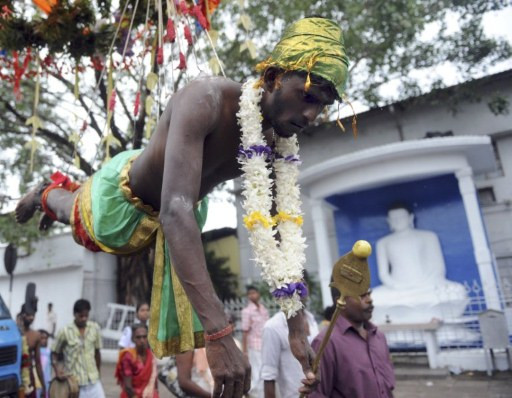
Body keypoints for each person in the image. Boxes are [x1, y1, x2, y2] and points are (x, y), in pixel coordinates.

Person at [15, 16, 350, 397]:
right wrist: (220, 334)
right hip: (129, 198)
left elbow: (280, 231)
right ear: (273, 77)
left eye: (322, 106)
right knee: (77, 217)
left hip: (186, 204)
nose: (311, 116)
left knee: (184, 214)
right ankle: (46, 193)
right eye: (307, 96)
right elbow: (175, 209)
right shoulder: (205, 99)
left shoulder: (277, 143)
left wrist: (295, 326)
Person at [372, 204, 468, 324]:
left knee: (457, 291)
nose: (397, 221)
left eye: (401, 217)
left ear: (410, 218)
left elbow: (438, 268)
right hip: (398, 288)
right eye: (394, 218)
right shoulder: (383, 242)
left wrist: (424, 283)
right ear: (388, 221)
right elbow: (384, 274)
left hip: (426, 286)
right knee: (374, 297)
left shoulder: (428, 237)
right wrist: (397, 286)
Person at [309, 287, 395, 398]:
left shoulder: (378, 337)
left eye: (369, 294)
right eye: (362, 295)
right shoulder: (326, 343)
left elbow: (387, 388)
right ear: (341, 301)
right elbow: (317, 394)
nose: (369, 299)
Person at [261, 296, 319, 398]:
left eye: (303, 283)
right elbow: (268, 375)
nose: (299, 290)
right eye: (294, 286)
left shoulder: (312, 319)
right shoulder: (272, 327)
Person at [52, 299, 105, 398]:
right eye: (81, 316)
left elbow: (97, 352)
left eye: (86, 315)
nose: (84, 318)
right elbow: (54, 352)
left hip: (94, 382)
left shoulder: (95, 328)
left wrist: (98, 374)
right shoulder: (64, 331)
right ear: (74, 314)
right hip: (74, 384)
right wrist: (57, 371)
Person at [115, 324, 159, 398]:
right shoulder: (128, 357)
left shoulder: (150, 355)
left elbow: (154, 380)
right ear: (133, 339)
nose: (142, 340)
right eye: (138, 337)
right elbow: (128, 387)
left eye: (145, 337)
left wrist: (156, 392)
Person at [241, 286, 269, 398]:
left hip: (265, 344)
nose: (252, 295)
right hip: (254, 345)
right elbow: (245, 332)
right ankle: (253, 394)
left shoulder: (263, 309)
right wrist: (245, 351)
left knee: (266, 371)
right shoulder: (246, 311)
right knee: (257, 372)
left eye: (254, 293)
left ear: (258, 294)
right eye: (250, 294)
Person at [19, 304, 46, 398]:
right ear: (22, 314)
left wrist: (43, 386)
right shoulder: (14, 332)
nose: (31, 317)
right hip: (14, 376)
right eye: (29, 314)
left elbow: (38, 363)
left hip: (29, 378)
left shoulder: (36, 335)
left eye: (33, 315)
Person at [37, 329, 52, 398]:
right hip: (37, 381)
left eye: (46, 338)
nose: (44, 340)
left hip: (47, 380)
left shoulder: (49, 352)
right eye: (42, 338)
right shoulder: (35, 352)